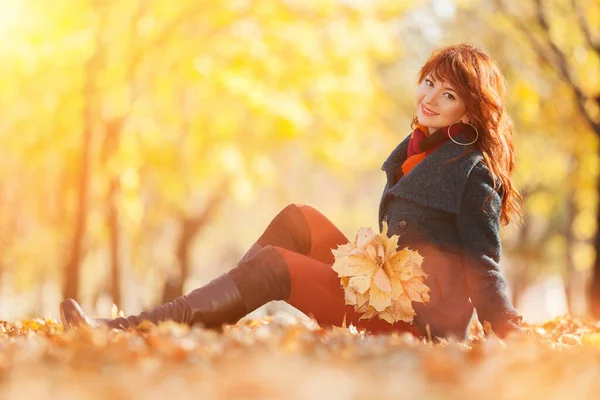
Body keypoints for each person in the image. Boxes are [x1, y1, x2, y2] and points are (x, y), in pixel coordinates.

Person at [61, 43, 523, 340]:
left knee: (274, 265)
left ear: (468, 112)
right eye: (428, 83)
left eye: (448, 95)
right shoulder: (418, 149)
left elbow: (483, 265)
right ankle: (201, 313)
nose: (429, 98)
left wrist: (510, 333)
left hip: (415, 326)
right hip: (384, 294)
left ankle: (138, 326)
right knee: (297, 217)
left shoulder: (470, 172)